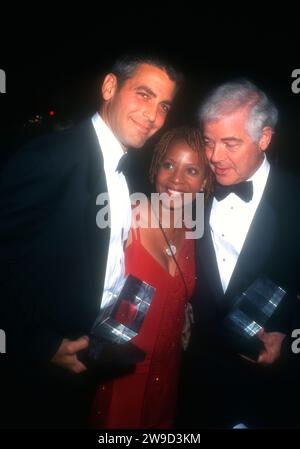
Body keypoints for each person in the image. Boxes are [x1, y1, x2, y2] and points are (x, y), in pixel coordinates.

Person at [0, 54, 183, 428]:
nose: (152, 115)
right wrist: (38, 345)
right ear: (109, 87)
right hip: (39, 373)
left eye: (163, 105)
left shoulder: (122, 168)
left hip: (91, 359)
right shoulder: (53, 157)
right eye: (143, 95)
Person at [177, 79, 300, 428]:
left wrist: (290, 339)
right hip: (198, 384)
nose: (215, 157)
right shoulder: (192, 195)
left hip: (270, 392)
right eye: (208, 142)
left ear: (264, 138)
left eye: (230, 143)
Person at [90, 126, 213, 428]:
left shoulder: (198, 232)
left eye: (192, 170)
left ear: (205, 181)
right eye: (168, 165)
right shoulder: (126, 216)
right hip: (121, 373)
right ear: (156, 167)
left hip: (169, 373)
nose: (176, 179)